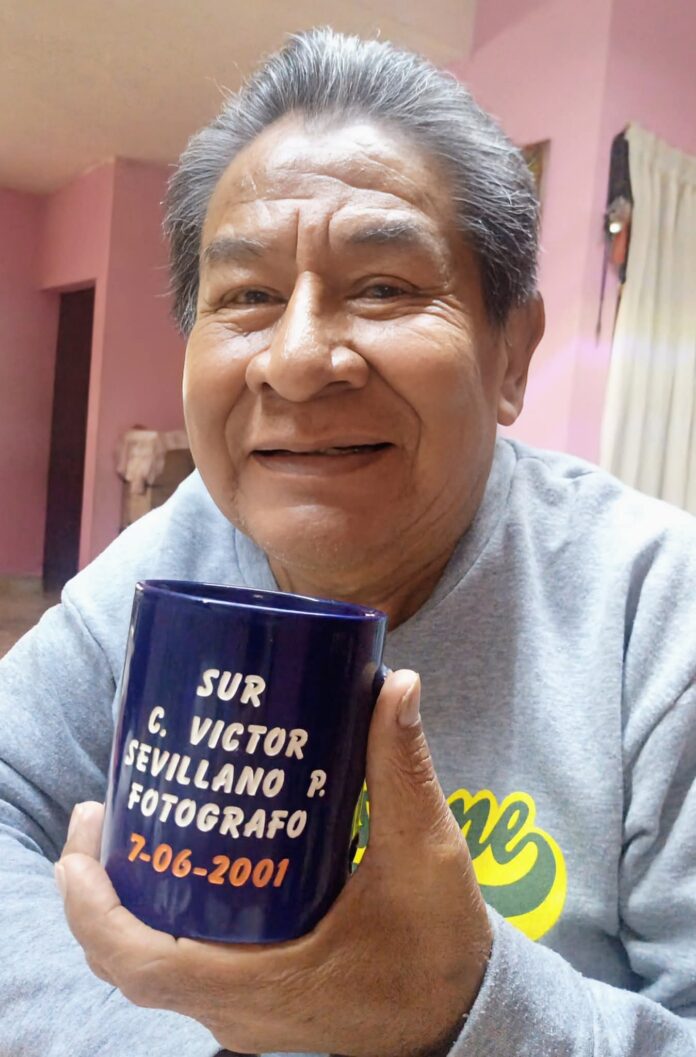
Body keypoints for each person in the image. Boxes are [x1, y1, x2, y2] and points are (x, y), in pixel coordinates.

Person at [1, 26, 695, 1057]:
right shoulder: (171, 562)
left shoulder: (657, 617)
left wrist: (455, 1010)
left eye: (383, 287)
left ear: (511, 354)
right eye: (247, 297)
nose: (295, 360)